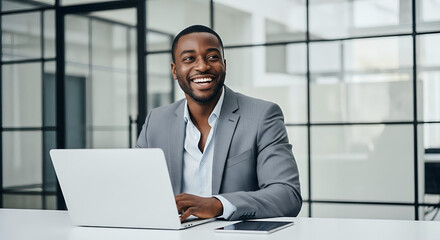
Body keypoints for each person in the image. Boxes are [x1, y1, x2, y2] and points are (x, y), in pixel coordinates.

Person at [136, 25, 301, 221]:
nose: (202, 66)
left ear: (224, 64)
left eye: (212, 57)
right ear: (174, 70)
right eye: (189, 59)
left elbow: (287, 194)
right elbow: (135, 188)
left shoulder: (262, 116)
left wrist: (218, 204)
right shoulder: (156, 120)